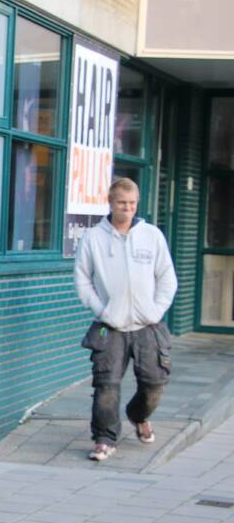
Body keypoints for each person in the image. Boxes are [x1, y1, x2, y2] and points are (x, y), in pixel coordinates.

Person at [74, 177, 177, 462]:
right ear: (110, 203)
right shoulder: (94, 238)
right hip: (111, 326)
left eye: (132, 204)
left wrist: (155, 311)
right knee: (106, 385)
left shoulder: (152, 235)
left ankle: (138, 415)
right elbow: (82, 280)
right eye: (122, 203)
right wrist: (102, 310)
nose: (128, 209)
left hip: (148, 325)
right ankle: (104, 439)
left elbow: (167, 278)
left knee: (155, 383)